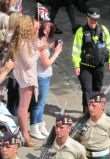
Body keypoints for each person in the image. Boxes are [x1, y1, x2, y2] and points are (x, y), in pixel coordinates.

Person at [72, 8, 110, 113]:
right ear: (87, 18)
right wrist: (76, 66)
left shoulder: (104, 30)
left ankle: (95, 111)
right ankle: (86, 113)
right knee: (87, 90)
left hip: (99, 66)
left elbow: (109, 47)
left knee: (97, 90)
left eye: (95, 19)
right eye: (91, 19)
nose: (93, 22)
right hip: (85, 67)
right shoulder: (81, 31)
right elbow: (76, 50)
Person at [30, 8, 63, 140]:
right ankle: (34, 126)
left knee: (41, 102)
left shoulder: (41, 41)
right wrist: (57, 53)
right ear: (44, 29)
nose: (51, 29)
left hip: (44, 76)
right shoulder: (40, 42)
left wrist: (50, 47)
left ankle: (40, 124)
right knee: (40, 103)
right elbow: (46, 63)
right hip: (42, 76)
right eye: (49, 27)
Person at [10, 15, 39, 147]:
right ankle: (25, 136)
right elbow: (28, 63)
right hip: (26, 78)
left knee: (24, 108)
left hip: (24, 77)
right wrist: (39, 52)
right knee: (23, 108)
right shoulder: (22, 42)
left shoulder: (21, 40)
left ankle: (24, 133)